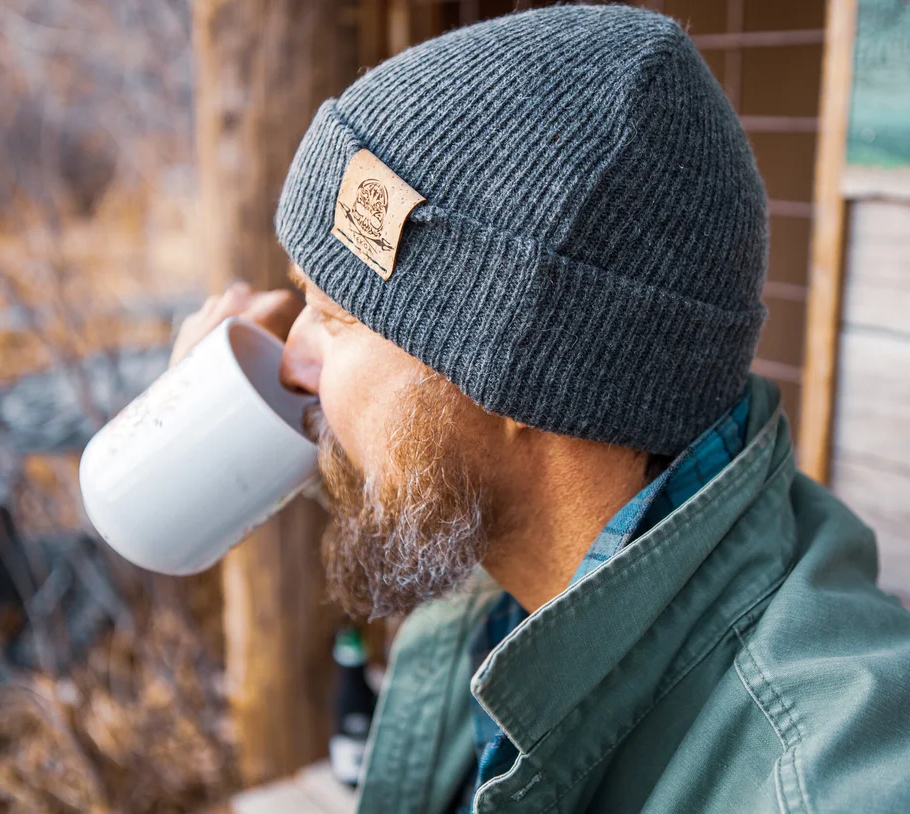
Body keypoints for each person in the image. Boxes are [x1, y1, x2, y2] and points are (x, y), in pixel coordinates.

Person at [171, 6, 910, 813]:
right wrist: (205, 430)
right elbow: (422, 444)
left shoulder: (824, 784)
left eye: (336, 315)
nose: (291, 359)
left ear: (516, 373)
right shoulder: (520, 547)